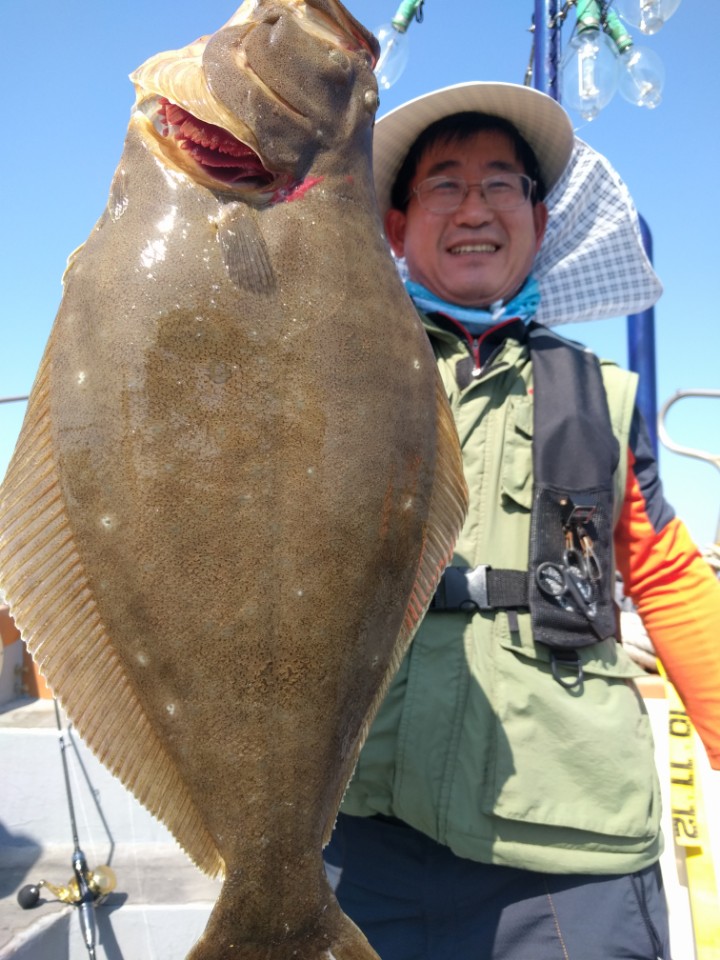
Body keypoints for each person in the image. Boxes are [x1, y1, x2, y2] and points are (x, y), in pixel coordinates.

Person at [324, 81, 720, 960]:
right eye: (445, 185)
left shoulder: (601, 396)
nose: (476, 208)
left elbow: (664, 574)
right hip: (358, 827)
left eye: (503, 185)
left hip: (568, 852)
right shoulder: (330, 372)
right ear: (395, 227)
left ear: (539, 225)